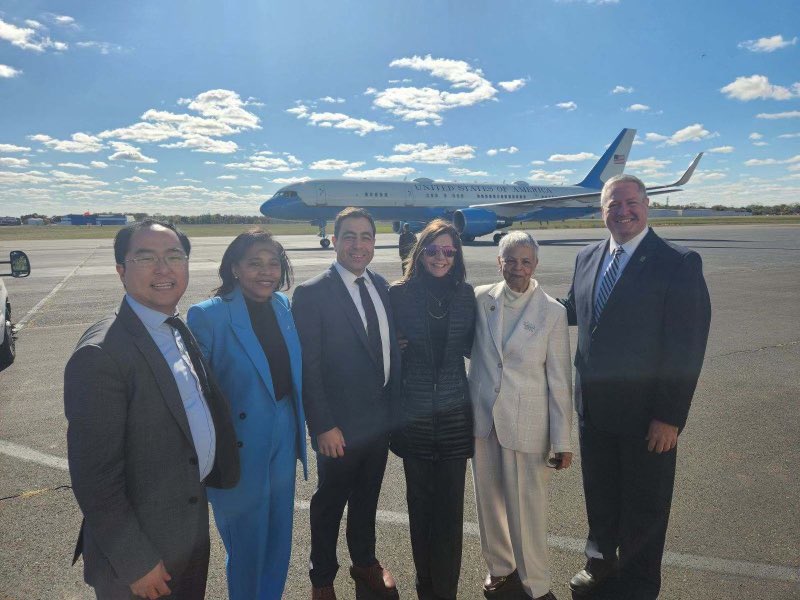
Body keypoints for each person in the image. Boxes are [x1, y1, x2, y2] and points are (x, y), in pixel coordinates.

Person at [64, 220, 240, 600]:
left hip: (186, 529)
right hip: (141, 558)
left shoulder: (172, 325)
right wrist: (135, 560)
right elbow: (95, 478)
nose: (164, 269)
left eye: (174, 256)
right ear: (121, 271)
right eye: (147, 258)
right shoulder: (101, 355)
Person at [562, 174, 711, 599]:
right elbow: (572, 310)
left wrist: (670, 417)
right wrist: (508, 304)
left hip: (648, 416)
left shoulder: (677, 261)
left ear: (647, 205)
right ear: (601, 210)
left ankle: (639, 583)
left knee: (645, 506)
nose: (623, 211)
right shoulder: (588, 257)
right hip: (593, 408)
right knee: (601, 495)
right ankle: (600, 563)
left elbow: (687, 346)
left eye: (632, 203)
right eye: (614, 204)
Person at [186, 230, 307, 600]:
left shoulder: (282, 305)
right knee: (246, 543)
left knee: (278, 535)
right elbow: (196, 395)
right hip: (237, 442)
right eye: (254, 263)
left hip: (283, 429)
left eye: (273, 263)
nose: (265, 272)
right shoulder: (208, 316)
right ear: (235, 268)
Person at [292, 207, 402, 600]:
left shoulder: (381, 285)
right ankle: (321, 578)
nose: (359, 244)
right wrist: (322, 425)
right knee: (329, 505)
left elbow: (385, 349)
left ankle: (365, 563)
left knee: (367, 499)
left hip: (378, 421)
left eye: (366, 236)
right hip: (338, 426)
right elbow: (310, 367)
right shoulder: (311, 293)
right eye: (350, 236)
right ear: (335, 241)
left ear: (375, 242)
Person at [469, 231, 572, 600]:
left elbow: (560, 381)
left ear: (536, 265)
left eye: (525, 261)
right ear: (499, 262)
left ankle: (536, 584)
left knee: (527, 511)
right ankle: (500, 568)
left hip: (527, 424)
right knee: (488, 501)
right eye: (510, 260)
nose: (517, 268)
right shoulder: (480, 298)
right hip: (483, 420)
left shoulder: (553, 312)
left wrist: (562, 441)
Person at [388, 219, 475, 600]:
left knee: (450, 516)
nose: (441, 257)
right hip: (416, 418)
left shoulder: (466, 294)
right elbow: (378, 343)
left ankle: (447, 592)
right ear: (420, 251)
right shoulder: (398, 294)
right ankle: (426, 589)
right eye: (434, 250)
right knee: (420, 512)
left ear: (456, 257)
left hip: (456, 417)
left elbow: (480, 347)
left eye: (449, 252)